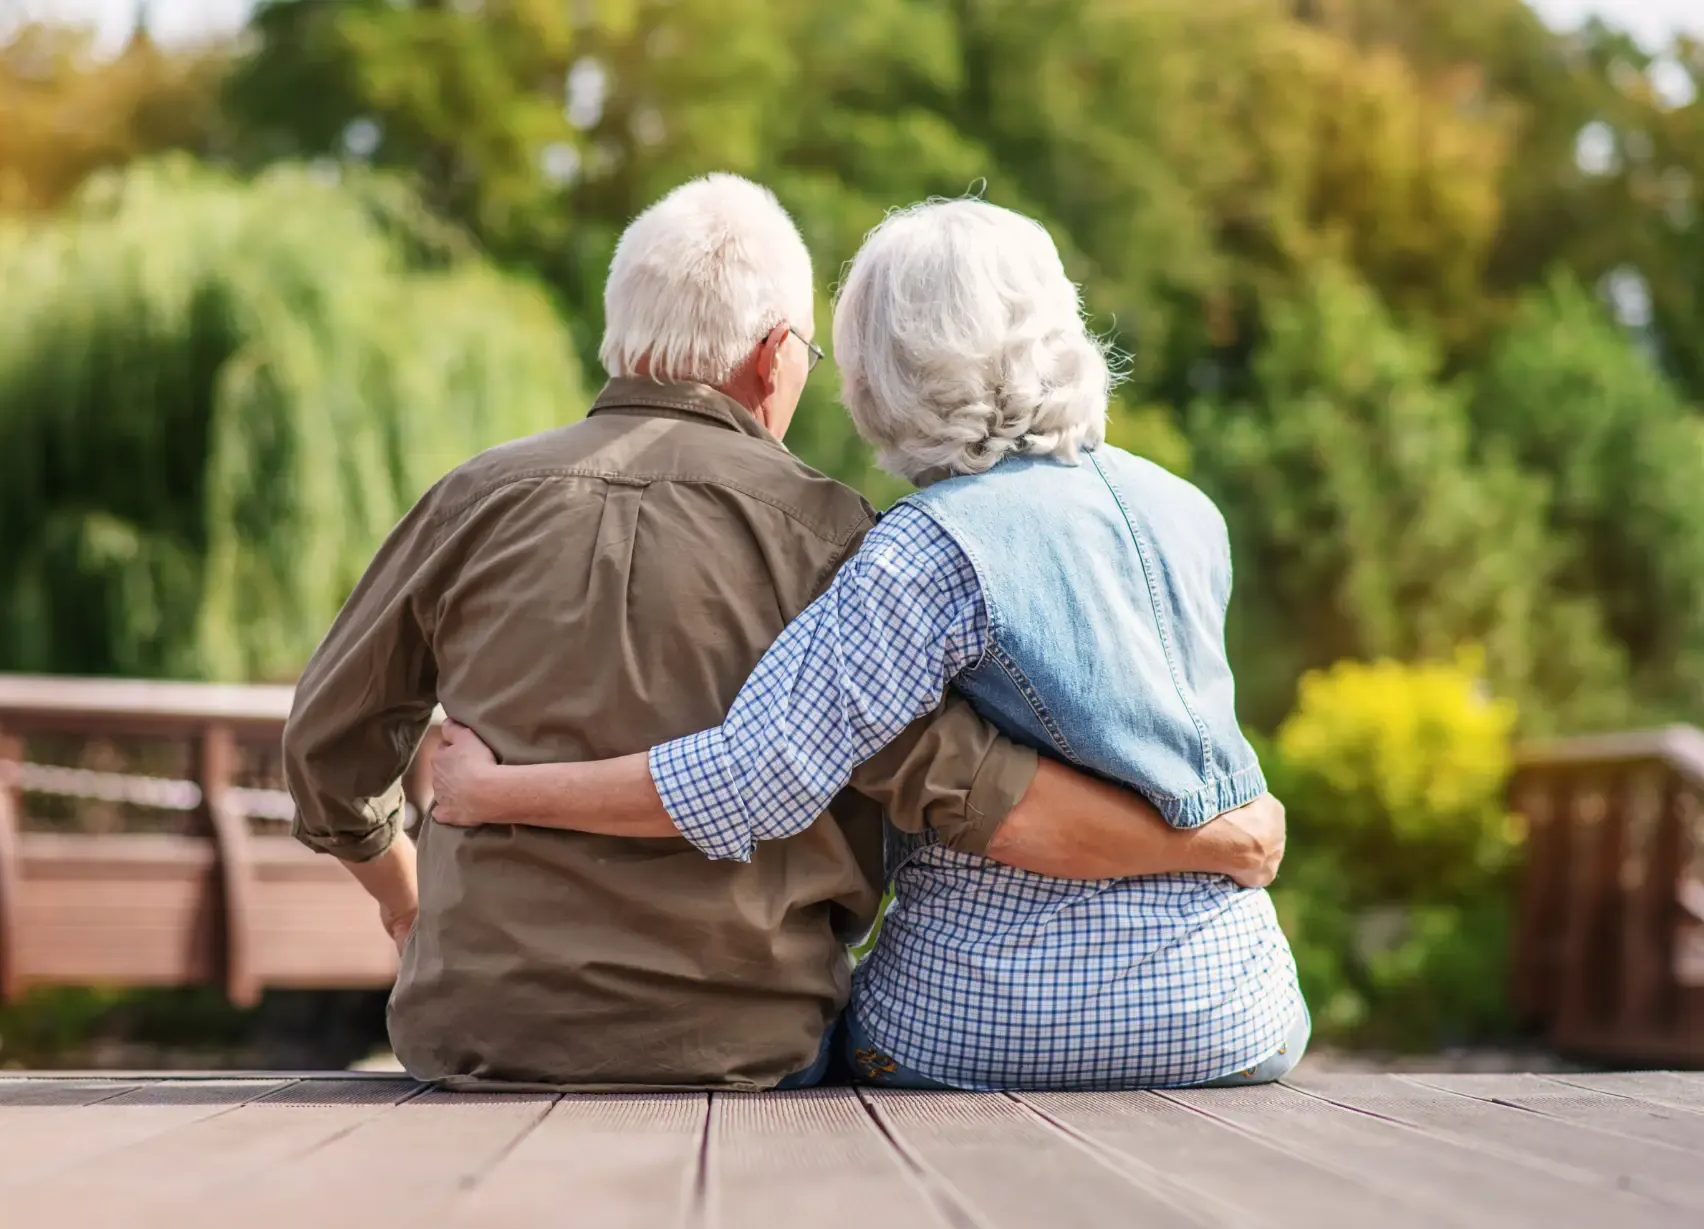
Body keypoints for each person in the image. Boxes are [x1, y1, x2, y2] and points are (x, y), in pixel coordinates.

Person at [284, 177, 1286, 1090]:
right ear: (772, 357)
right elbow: (962, 783)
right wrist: (1212, 841)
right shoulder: (842, 537)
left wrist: (408, 901)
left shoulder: (472, 499)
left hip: (469, 1031)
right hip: (748, 1046)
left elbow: (326, 748)